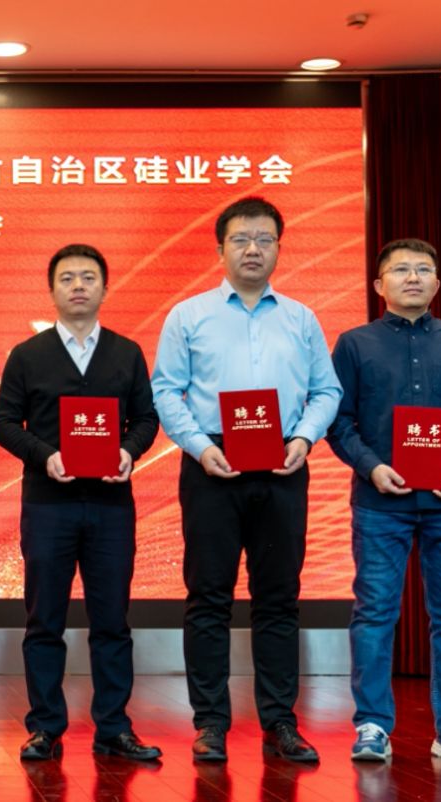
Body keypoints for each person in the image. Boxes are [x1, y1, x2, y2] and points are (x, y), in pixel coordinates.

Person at [151, 197, 341, 763]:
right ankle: (210, 723)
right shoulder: (187, 315)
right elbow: (166, 390)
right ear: (220, 249)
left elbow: (327, 390)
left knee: (278, 598)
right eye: (240, 239)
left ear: (279, 248)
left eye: (264, 239)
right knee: (208, 597)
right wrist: (201, 447)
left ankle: (281, 722)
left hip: (284, 463)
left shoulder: (301, 318)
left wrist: (303, 438)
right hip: (212, 463)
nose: (252, 249)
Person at [326, 238, 441, 763]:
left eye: (423, 269)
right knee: (375, 612)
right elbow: (339, 421)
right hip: (380, 502)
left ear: (437, 283)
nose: (412, 277)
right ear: (378, 285)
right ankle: (372, 726)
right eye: (400, 270)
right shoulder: (354, 344)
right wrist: (372, 467)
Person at [0, 244, 161, 762]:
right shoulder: (28, 354)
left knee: (112, 620)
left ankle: (114, 728)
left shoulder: (126, 352)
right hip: (48, 505)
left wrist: (129, 451)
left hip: (111, 506)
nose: (79, 286)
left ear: (105, 288)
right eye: (67, 278)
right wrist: (45, 456)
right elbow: (4, 423)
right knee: (44, 619)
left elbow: (147, 419)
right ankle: (45, 726)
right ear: (52, 290)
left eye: (89, 277)